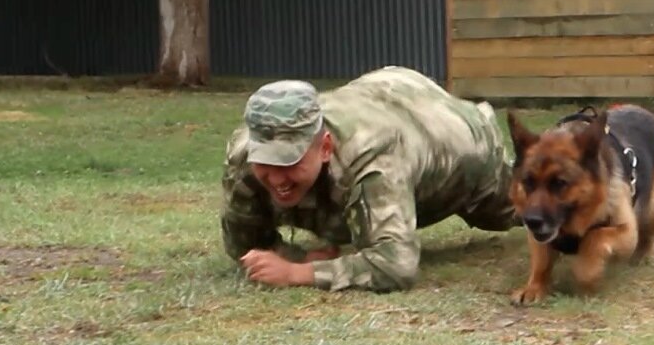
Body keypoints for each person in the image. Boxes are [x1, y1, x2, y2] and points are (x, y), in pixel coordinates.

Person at [219, 65, 518, 292]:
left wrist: (298, 274)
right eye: (265, 162)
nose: (275, 176)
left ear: (324, 148)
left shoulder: (372, 154)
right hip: (377, 97)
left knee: (521, 211)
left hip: (460, 140)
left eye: (289, 161)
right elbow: (245, 244)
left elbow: (396, 264)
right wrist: (294, 256)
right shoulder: (245, 156)